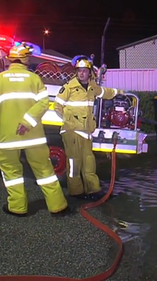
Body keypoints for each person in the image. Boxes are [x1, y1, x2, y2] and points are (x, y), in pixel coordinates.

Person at [0, 43, 69, 217]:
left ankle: (18, 207)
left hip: (7, 137)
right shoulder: (34, 79)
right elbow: (44, 103)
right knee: (45, 171)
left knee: (11, 172)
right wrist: (27, 122)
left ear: (11, 60)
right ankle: (58, 206)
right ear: (25, 60)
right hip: (33, 137)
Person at [54, 55, 125, 201]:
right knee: (74, 163)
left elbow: (105, 93)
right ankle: (76, 192)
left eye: (84, 71)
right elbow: (57, 106)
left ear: (89, 72)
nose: (81, 73)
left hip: (86, 132)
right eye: (79, 71)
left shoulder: (93, 87)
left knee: (89, 162)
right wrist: (69, 121)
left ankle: (93, 190)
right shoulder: (69, 87)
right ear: (76, 72)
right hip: (72, 131)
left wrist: (118, 92)